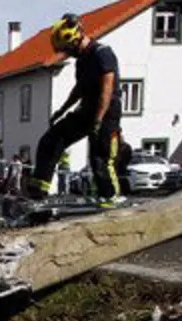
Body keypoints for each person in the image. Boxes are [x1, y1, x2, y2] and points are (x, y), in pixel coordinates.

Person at [26, 13, 125, 209]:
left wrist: (97, 121)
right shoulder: (82, 60)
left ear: (77, 38)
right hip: (87, 107)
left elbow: (107, 89)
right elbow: (79, 88)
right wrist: (62, 110)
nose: (68, 53)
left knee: (100, 156)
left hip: (106, 110)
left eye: (69, 49)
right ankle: (38, 192)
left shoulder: (102, 54)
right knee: (51, 140)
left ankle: (109, 197)